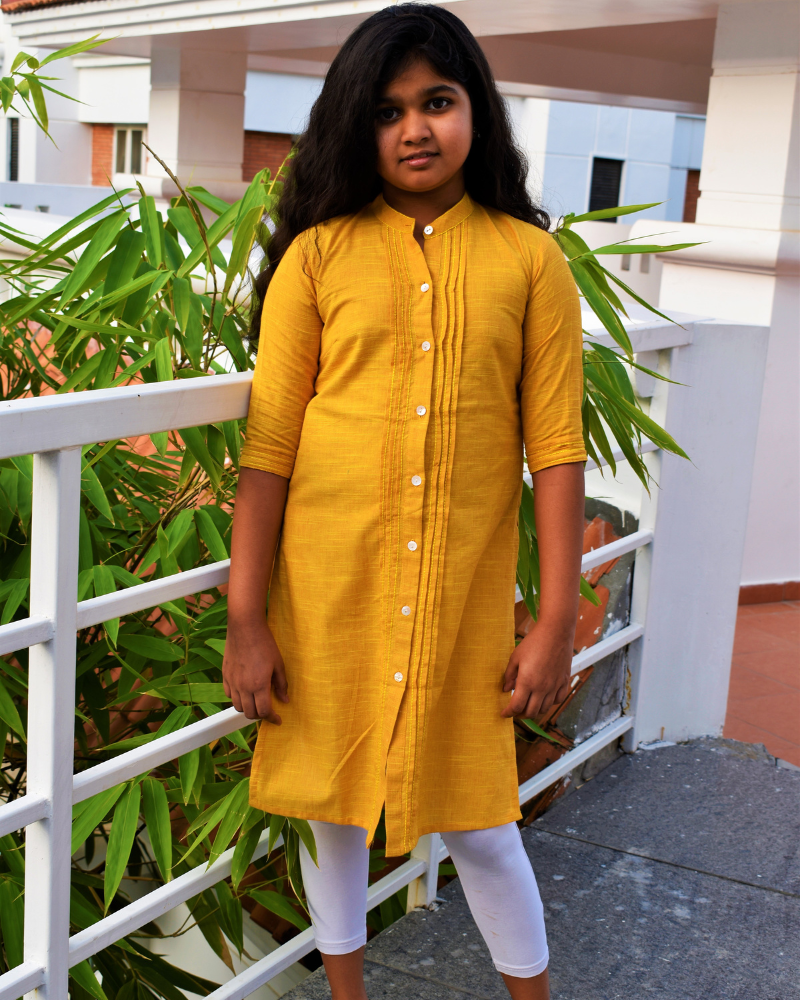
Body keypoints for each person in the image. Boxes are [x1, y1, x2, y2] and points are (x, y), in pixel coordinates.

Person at [222, 5, 586, 998]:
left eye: (437, 101)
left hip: (462, 606)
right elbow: (268, 453)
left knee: (481, 823)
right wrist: (246, 617)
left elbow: (555, 450)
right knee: (332, 814)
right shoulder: (316, 258)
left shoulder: (528, 262)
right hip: (326, 591)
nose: (415, 128)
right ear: (355, 126)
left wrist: (555, 617)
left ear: (477, 111)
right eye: (386, 111)